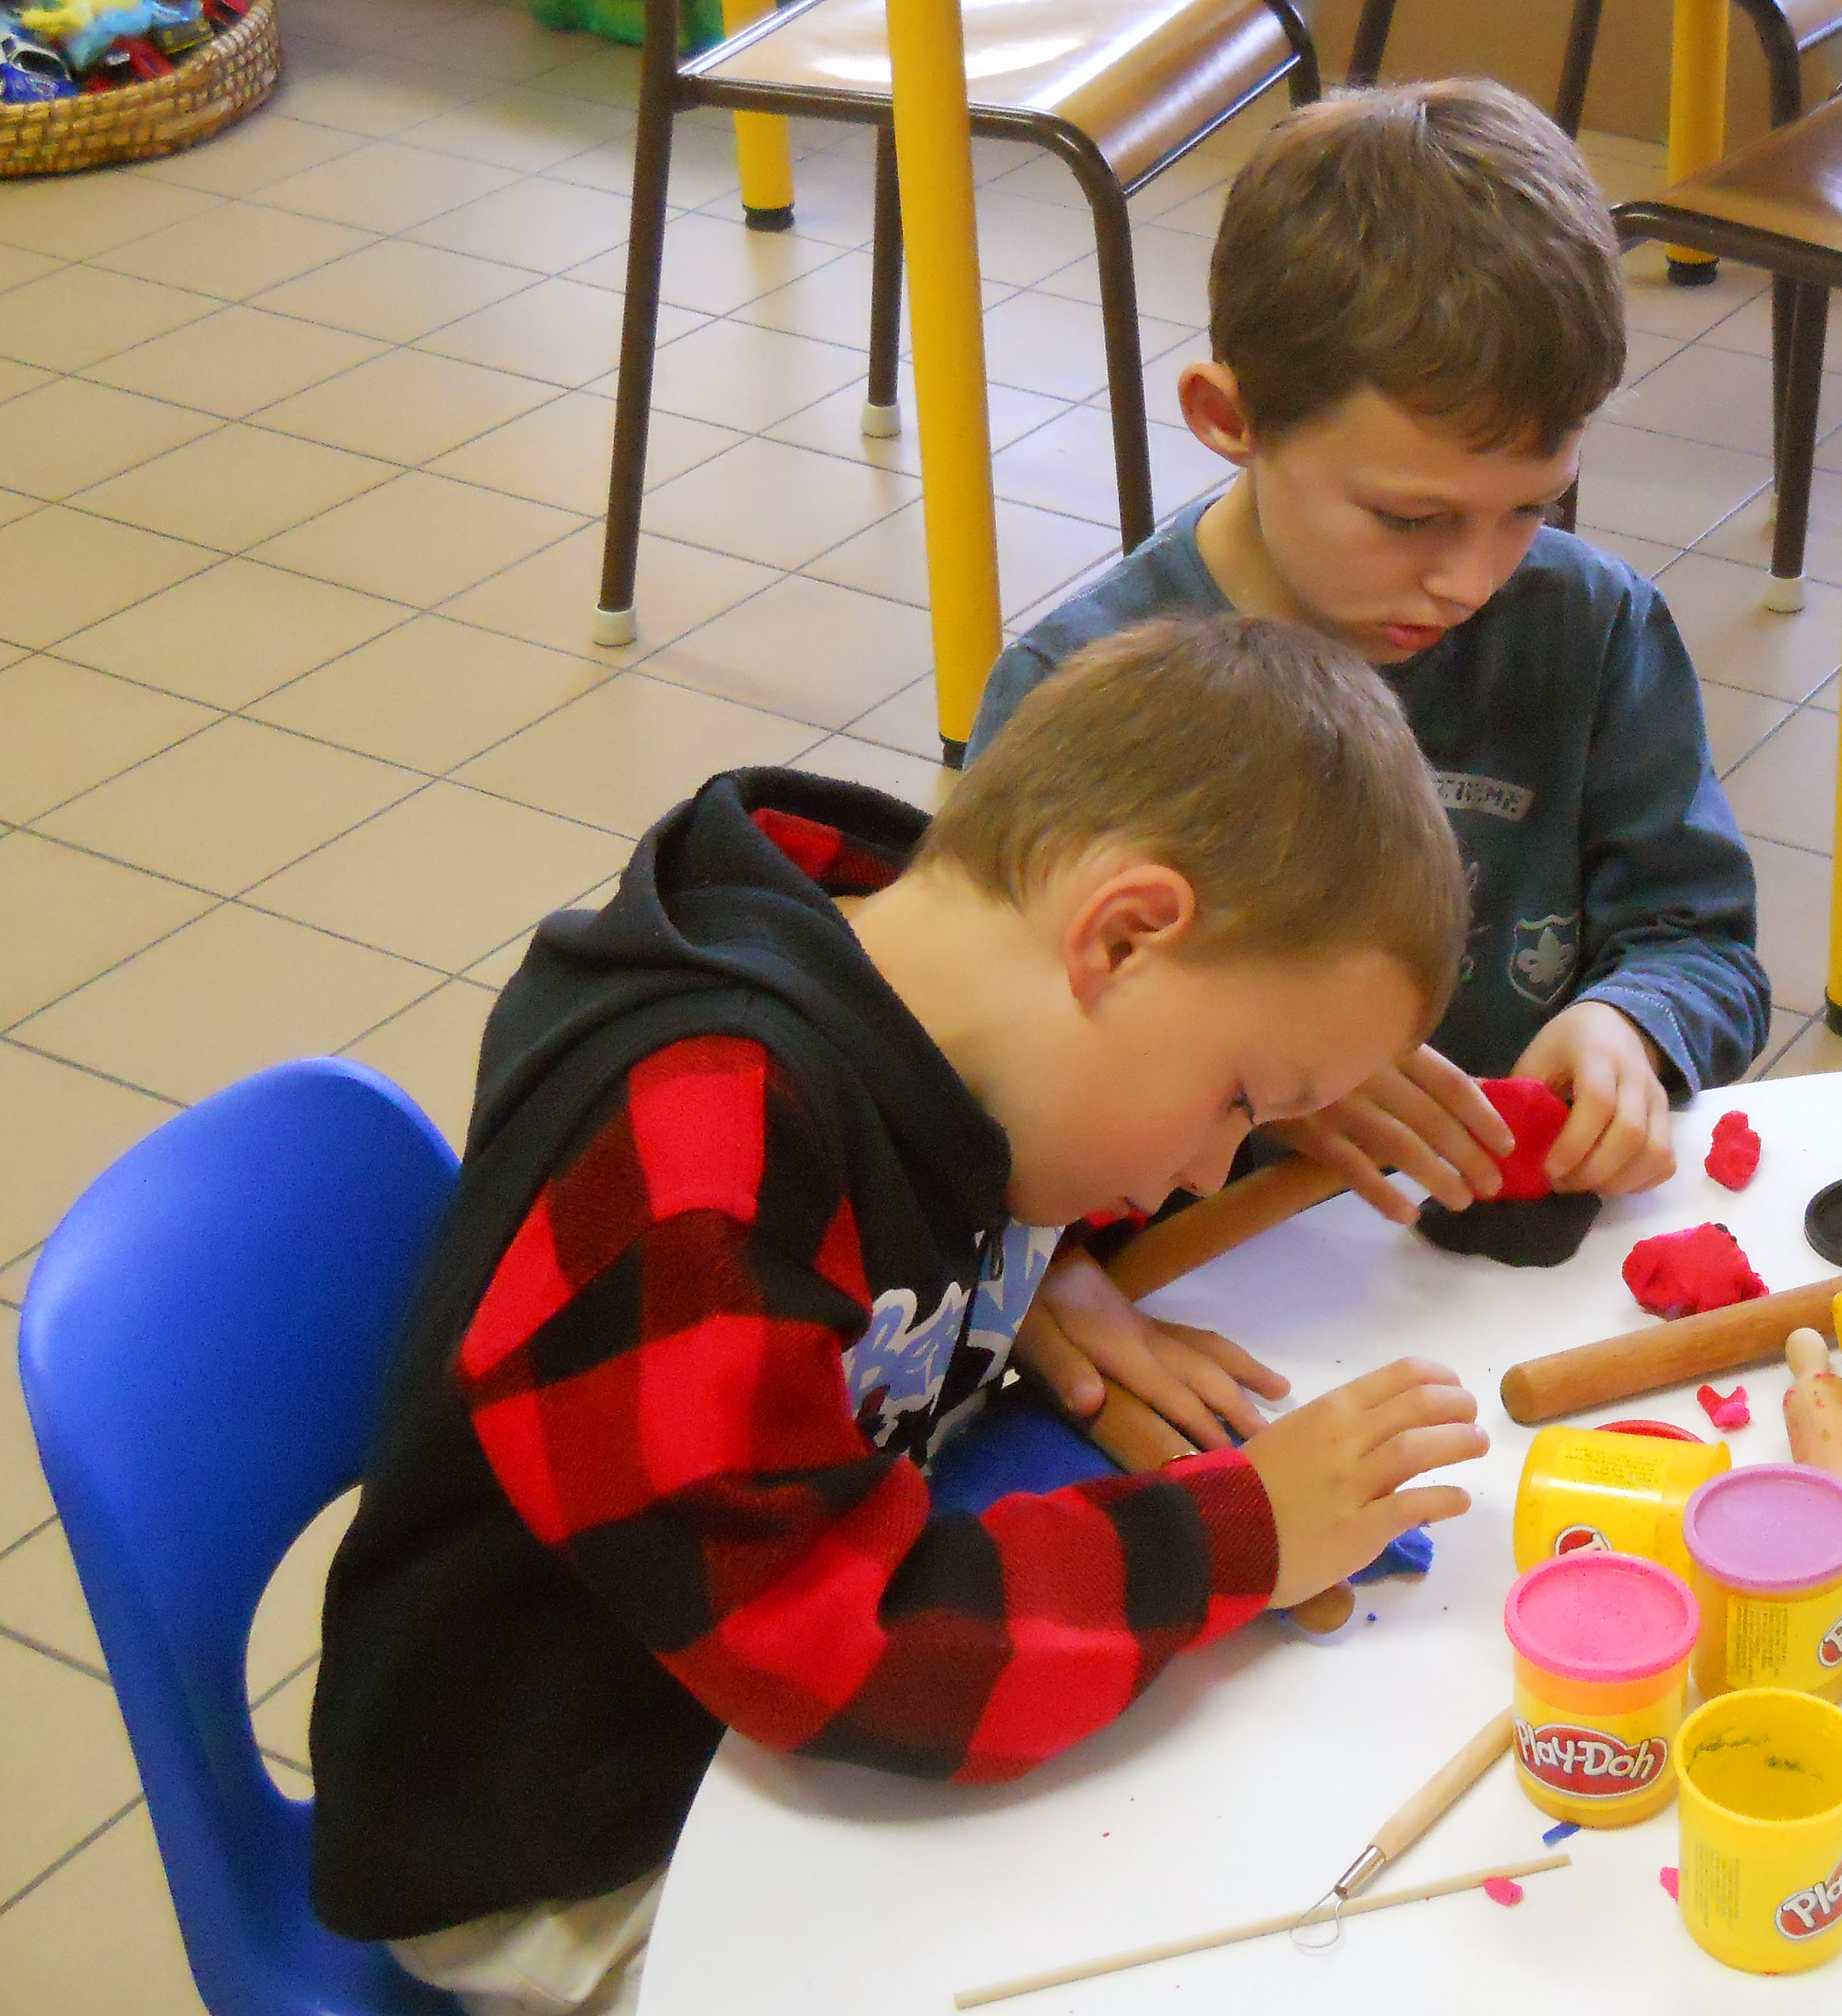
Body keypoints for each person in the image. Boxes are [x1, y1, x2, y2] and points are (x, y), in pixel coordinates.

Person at [309, 615, 1491, 2016]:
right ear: (1120, 937)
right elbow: (829, 1647)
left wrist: (1277, 1084)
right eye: (1236, 1100)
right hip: (579, 1837)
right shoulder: (701, 1157)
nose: (1205, 1167)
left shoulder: (947, 998)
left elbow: (1024, 1167)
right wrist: (1243, 1533)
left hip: (754, 1714)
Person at [965, 77, 1768, 1270]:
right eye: (1409, 518)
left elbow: (1702, 943)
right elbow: (977, 1082)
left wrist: (1627, 1023)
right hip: (1217, 1277)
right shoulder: (1081, 688)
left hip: (1496, 1273)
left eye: (1528, 512)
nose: (1472, 581)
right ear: (1231, 418)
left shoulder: (1589, 629)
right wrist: (1257, 1090)